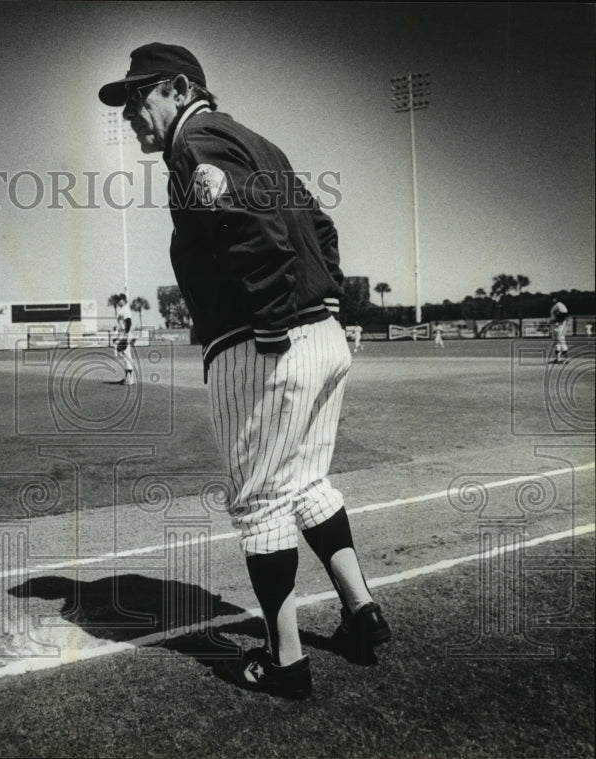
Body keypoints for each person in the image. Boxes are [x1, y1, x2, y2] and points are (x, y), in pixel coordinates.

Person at [99, 43, 390, 699]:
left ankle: (285, 662)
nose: (129, 116)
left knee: (259, 501)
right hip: (321, 335)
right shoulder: (258, 142)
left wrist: (268, 320)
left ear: (176, 88)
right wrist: (328, 302)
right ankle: (362, 611)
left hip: (263, 344)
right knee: (307, 482)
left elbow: (253, 230)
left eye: (137, 98)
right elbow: (321, 225)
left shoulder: (194, 142)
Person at [114, 295, 136, 385]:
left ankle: (129, 379)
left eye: (119, 300)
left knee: (127, 357)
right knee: (124, 357)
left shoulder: (126, 309)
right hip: (124, 334)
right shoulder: (123, 309)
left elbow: (128, 321)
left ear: (123, 300)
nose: (118, 302)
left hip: (126, 335)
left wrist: (126, 335)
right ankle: (128, 378)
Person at [549, 297, 569, 364]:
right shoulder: (556, 305)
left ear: (557, 299)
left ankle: (565, 359)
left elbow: (565, 313)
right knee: (557, 342)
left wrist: (556, 320)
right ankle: (558, 359)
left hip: (560, 325)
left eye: (554, 298)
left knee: (561, 340)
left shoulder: (559, 305)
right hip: (556, 325)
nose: (552, 300)